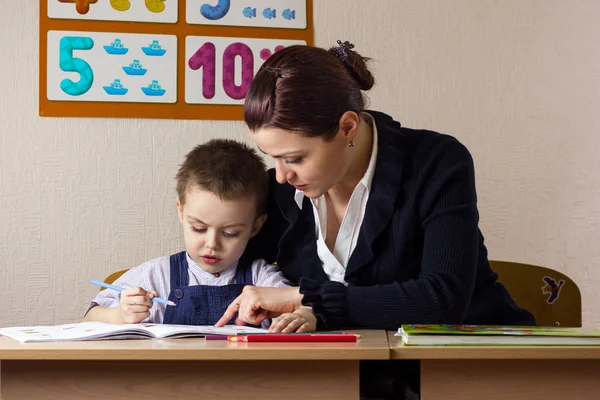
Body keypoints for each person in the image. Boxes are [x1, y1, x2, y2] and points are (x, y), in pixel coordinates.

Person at [215, 41, 535, 398]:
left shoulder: (437, 163)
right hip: (358, 375)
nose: (280, 175)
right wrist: (149, 291)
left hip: (468, 371)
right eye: (271, 157)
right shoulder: (283, 189)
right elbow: (226, 265)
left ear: (347, 126)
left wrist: (305, 299)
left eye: (295, 158)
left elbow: (442, 298)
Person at [84, 139, 316, 332]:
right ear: (181, 211)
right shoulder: (156, 275)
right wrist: (120, 314)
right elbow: (89, 318)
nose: (212, 244)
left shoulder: (262, 278)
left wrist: (301, 314)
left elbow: (301, 308)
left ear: (256, 227)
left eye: (230, 233)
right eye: (199, 228)